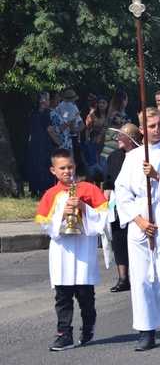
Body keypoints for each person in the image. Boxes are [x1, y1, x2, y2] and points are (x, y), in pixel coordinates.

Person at [114, 107, 160, 351]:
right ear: (142, 130)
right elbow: (122, 191)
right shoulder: (133, 157)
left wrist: (157, 176)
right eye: (152, 126)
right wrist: (138, 220)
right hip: (141, 219)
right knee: (142, 280)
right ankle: (146, 330)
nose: (157, 130)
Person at [35, 148, 108, 351]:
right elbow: (47, 225)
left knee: (85, 295)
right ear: (53, 170)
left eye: (70, 166)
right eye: (62, 168)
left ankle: (88, 324)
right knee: (63, 296)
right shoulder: (51, 194)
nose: (67, 171)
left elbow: (102, 220)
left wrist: (84, 208)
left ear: (75, 166)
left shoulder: (89, 189)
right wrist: (62, 213)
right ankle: (64, 334)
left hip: (83, 249)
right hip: (62, 251)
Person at [103, 123, 142, 293]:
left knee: (138, 240)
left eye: (121, 136)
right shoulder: (114, 156)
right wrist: (105, 202)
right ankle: (123, 278)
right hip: (118, 204)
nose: (118, 138)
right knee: (118, 240)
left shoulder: (141, 155)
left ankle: (141, 276)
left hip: (137, 204)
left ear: (131, 138)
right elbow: (108, 182)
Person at [28, 91, 57, 196]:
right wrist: (57, 141)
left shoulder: (32, 112)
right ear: (45, 101)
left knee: (34, 164)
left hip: (33, 141)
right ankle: (44, 188)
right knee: (45, 164)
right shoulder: (45, 112)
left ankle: (34, 189)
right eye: (49, 99)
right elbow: (49, 129)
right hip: (44, 142)